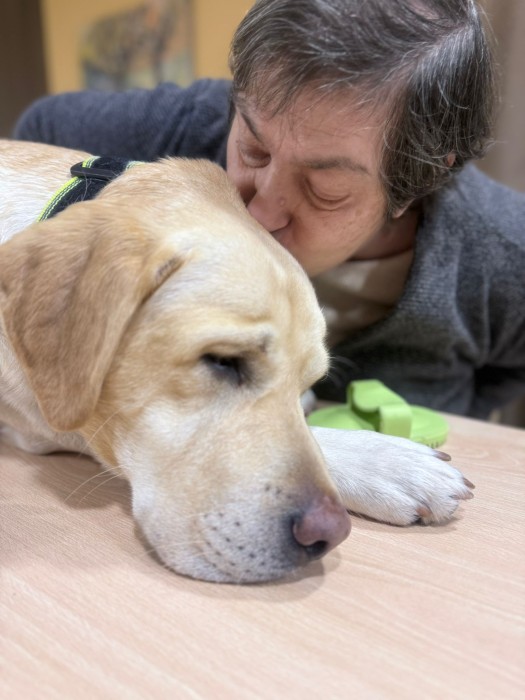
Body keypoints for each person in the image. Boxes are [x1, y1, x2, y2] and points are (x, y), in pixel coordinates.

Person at [14, 0, 525, 419]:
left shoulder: (504, 250)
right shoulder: (181, 129)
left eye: (324, 189)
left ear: (417, 181)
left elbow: (509, 372)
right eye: (253, 149)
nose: (259, 212)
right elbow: (40, 134)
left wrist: (468, 412)